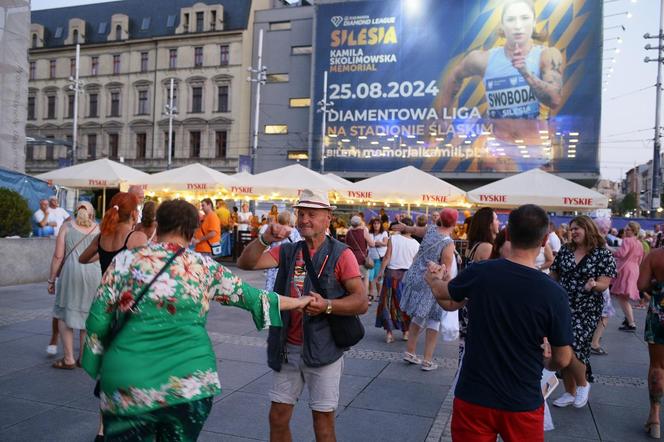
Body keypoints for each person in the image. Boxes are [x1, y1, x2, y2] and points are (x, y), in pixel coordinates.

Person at [81, 199, 310, 441]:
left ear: (157, 226)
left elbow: (97, 320)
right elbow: (255, 298)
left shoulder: (124, 261)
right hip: (189, 384)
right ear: (192, 232)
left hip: (128, 382)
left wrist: (95, 362)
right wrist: (300, 301)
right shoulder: (204, 267)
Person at [424, 204, 574, 441]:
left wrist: (433, 281)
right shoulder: (553, 293)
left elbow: (447, 296)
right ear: (545, 239)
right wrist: (547, 361)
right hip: (522, 399)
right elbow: (563, 358)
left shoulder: (481, 272)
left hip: (474, 395)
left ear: (509, 233)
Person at [237, 189, 367, 442]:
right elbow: (247, 263)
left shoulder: (342, 253)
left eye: (312, 214)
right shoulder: (288, 251)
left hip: (324, 350)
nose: (305, 219)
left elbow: (361, 301)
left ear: (328, 218)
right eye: (301, 213)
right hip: (288, 348)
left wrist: (327, 305)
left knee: (323, 422)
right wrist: (264, 239)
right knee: (277, 417)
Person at [78, 191, 149, 441]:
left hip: (105, 308)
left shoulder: (103, 236)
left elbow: (82, 258)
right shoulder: (135, 237)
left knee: (110, 368)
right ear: (134, 212)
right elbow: (150, 270)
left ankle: (101, 430)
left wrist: (105, 257)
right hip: (129, 310)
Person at [550, 215, 616, 408]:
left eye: (577, 228)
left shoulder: (602, 254)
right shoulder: (565, 250)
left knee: (574, 346)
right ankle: (569, 392)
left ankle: (583, 384)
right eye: (571, 229)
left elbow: (605, 283)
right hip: (563, 305)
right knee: (563, 346)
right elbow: (554, 275)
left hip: (587, 308)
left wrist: (594, 284)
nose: (573, 232)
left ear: (588, 229)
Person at [393, 208, 458, 371]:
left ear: (440, 219)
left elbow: (414, 230)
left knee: (418, 316)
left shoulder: (430, 230)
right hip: (431, 282)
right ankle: (427, 360)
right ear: (454, 223)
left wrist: (404, 227)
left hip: (416, 278)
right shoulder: (448, 242)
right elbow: (446, 270)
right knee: (434, 319)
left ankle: (410, 351)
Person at [47, 201, 101, 369]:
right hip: (94, 273)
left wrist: (51, 280)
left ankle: (68, 358)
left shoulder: (66, 227)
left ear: (75, 211)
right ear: (91, 213)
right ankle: (83, 359)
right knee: (87, 313)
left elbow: (58, 257)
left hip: (71, 273)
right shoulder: (99, 229)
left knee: (64, 314)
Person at [459, 207, 500, 362]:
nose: (498, 223)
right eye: (496, 219)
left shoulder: (475, 245)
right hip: (479, 304)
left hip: (469, 302)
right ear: (488, 224)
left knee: (466, 346)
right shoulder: (486, 247)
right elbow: (493, 278)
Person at [375, 217, 420, 343]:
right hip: (407, 277)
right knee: (405, 304)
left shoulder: (393, 238)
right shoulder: (416, 244)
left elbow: (387, 257)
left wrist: (380, 272)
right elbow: (416, 264)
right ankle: (406, 332)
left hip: (391, 275)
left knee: (388, 304)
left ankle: (389, 334)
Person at [638, 247, 664, 439]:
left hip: (659, 314)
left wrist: (657, 286)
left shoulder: (656, 255)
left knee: (658, 366)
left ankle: (654, 417)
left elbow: (641, 284)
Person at [611, 221, 646, 331]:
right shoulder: (639, 243)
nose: (625, 231)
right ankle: (628, 320)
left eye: (628, 230)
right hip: (634, 269)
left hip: (625, 269)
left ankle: (631, 322)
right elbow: (641, 259)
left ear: (634, 231)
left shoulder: (627, 241)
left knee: (622, 298)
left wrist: (608, 248)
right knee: (624, 296)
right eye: (625, 229)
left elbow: (621, 254)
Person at [260, 211, 302, 292]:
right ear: (290, 220)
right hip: (288, 262)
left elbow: (267, 245)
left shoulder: (274, 230)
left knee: (271, 283)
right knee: (287, 285)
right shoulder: (293, 231)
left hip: (273, 261)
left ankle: (271, 299)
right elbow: (299, 247)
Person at [345, 215, 376, 300]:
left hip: (351, 259)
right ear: (360, 222)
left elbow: (345, 245)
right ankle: (364, 299)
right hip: (362, 259)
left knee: (353, 279)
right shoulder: (363, 231)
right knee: (365, 279)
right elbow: (372, 244)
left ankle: (354, 298)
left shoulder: (349, 232)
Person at [367, 217, 389, 302]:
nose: (376, 225)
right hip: (371, 258)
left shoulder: (384, 233)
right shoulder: (370, 233)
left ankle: (379, 295)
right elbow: (368, 244)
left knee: (378, 277)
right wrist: (376, 243)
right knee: (370, 277)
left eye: (378, 223)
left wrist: (378, 243)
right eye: (374, 223)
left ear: (380, 225)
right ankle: (371, 294)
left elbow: (385, 243)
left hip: (380, 258)